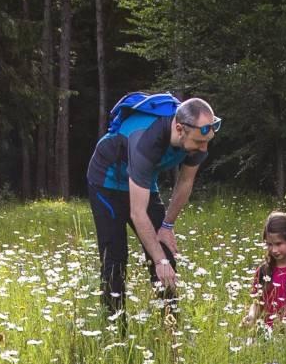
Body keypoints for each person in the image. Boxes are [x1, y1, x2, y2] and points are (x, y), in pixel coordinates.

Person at [84, 95, 220, 317]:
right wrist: (159, 260)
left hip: (142, 182)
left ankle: (171, 329)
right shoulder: (146, 140)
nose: (204, 148)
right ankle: (115, 331)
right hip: (106, 181)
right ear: (179, 128)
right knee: (115, 258)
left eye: (207, 141)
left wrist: (167, 226)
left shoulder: (198, 141)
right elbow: (137, 213)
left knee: (165, 252)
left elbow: (185, 182)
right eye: (198, 142)